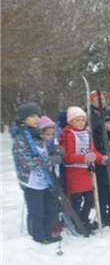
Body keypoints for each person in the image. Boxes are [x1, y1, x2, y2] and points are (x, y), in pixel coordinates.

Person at [12, 103, 64, 244]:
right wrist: (50, 160)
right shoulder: (20, 138)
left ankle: (47, 235)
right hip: (31, 182)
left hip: (44, 180)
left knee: (51, 209)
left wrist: (55, 151)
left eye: (38, 116)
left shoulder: (38, 136)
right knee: (37, 213)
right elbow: (27, 162)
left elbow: (46, 152)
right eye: (32, 116)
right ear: (23, 119)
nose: (36, 119)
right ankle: (37, 239)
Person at [61, 106, 108, 232]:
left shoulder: (86, 134)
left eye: (83, 120)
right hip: (74, 172)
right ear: (70, 122)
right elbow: (67, 156)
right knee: (77, 198)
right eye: (78, 120)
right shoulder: (69, 135)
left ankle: (84, 219)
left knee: (90, 198)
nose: (81, 123)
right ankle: (77, 221)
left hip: (85, 171)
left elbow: (93, 151)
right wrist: (84, 158)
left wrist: (101, 158)